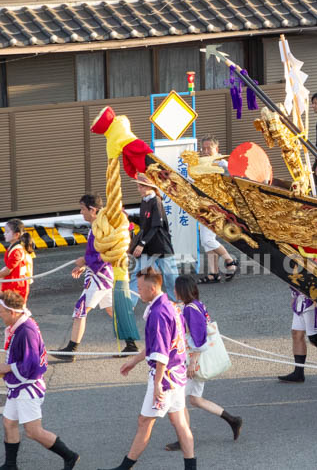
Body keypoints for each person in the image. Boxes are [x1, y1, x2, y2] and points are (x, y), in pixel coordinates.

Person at [102, 268, 195, 470]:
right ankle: (191, 466)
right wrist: (134, 360)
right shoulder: (170, 306)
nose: (139, 291)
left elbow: (161, 353)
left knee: (145, 421)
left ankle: (125, 467)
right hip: (177, 374)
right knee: (179, 422)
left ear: (152, 288)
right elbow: (161, 344)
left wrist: (157, 385)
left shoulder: (158, 313)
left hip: (165, 377)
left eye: (141, 287)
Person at [0, 290, 79, 470]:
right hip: (21, 385)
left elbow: (31, 364)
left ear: (12, 312)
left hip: (28, 387)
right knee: (9, 422)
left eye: (1, 311)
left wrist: (6, 368)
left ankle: (70, 456)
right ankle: (10, 464)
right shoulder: (21, 326)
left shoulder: (26, 330)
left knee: (33, 431)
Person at [162, 276, 242, 453]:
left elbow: (199, 339)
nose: (173, 291)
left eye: (175, 288)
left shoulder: (190, 309)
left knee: (178, 400)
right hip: (195, 359)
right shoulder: (196, 305)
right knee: (195, 400)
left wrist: (193, 364)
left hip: (192, 361)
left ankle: (185, 438)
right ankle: (232, 420)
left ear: (181, 290)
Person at [55, 194, 137, 362]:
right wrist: (85, 264)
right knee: (111, 309)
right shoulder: (100, 224)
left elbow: (104, 251)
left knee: (81, 309)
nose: (81, 212)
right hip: (104, 273)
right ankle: (131, 343)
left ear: (92, 210)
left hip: (99, 275)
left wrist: (84, 261)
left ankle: (72, 349)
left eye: (83, 209)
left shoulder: (101, 226)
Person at [128, 177, 179, 308]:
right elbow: (145, 222)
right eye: (139, 186)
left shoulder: (156, 201)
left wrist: (142, 243)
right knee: (137, 274)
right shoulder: (145, 201)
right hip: (149, 246)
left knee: (170, 277)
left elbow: (156, 226)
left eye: (142, 186)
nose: (139, 189)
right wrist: (129, 217)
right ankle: (129, 304)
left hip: (160, 245)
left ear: (150, 187)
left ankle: (177, 304)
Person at [196, 136, 238, 283]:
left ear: (216, 149)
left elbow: (233, 177)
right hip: (203, 205)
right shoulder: (200, 164)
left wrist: (225, 167)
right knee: (206, 239)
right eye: (204, 148)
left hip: (217, 206)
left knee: (208, 238)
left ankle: (229, 260)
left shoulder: (222, 162)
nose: (206, 151)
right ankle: (213, 273)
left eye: (209, 148)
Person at [0, 220, 32, 302]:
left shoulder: (16, 251)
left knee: (13, 313)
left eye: (7, 232)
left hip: (16, 287)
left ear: (16, 235)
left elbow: (7, 270)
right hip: (12, 285)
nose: (4, 234)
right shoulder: (13, 247)